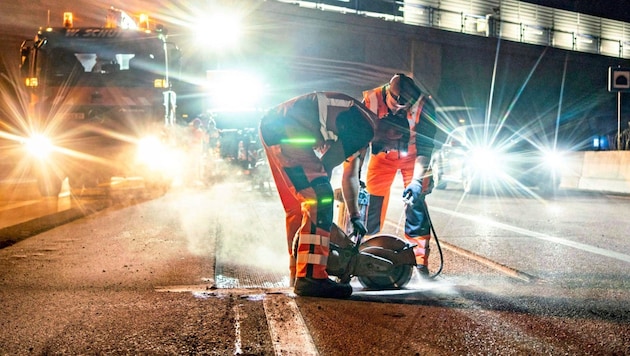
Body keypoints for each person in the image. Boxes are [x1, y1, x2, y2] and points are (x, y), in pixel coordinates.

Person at [259, 92, 377, 298]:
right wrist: (324, 211)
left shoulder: (360, 126)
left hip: (276, 128)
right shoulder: (366, 129)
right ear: (394, 132)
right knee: (318, 199)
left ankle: (298, 273)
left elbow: (348, 176)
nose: (392, 150)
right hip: (286, 131)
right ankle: (312, 278)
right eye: (398, 143)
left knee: (300, 207)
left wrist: (355, 216)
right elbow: (328, 165)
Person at [362, 73, 437, 278]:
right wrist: (357, 174)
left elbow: (425, 148)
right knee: (371, 202)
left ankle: (420, 261)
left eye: (407, 105)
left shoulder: (425, 106)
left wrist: (416, 181)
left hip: (413, 158)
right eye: (397, 103)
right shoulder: (372, 101)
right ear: (389, 92)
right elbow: (359, 138)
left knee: (416, 203)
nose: (401, 109)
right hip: (381, 156)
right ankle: (364, 252)